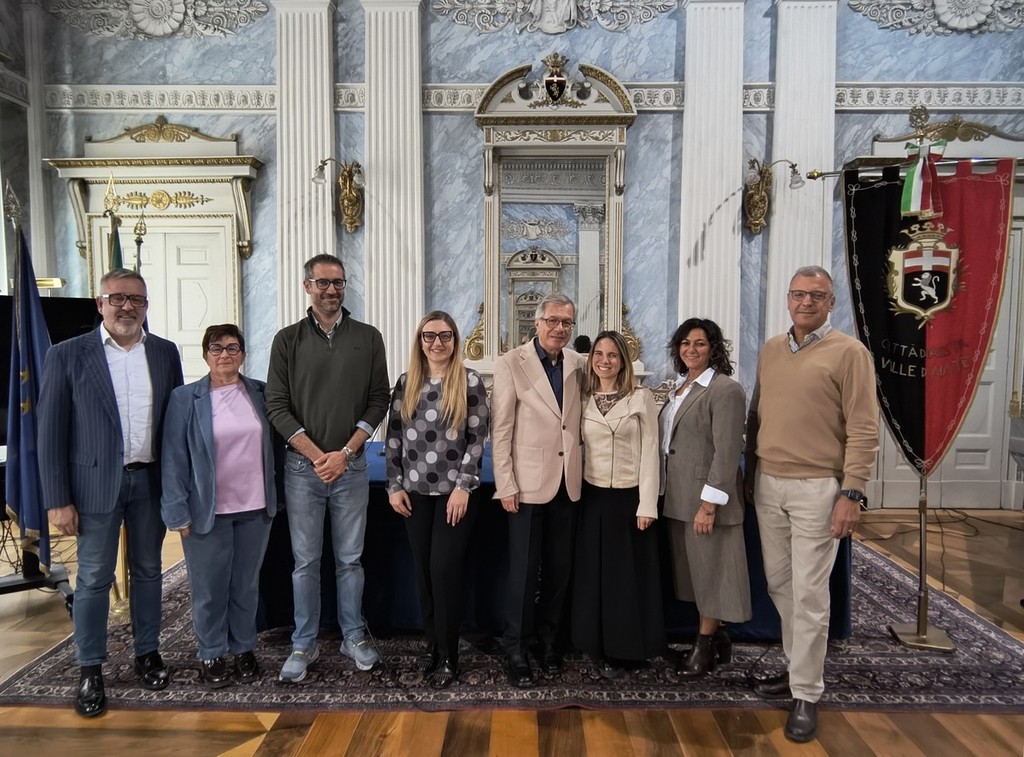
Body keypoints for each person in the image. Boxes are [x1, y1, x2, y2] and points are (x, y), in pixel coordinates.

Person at [38, 268, 184, 718]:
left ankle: (147, 653)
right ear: (100, 304)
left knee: (149, 572)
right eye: (117, 298)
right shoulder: (66, 354)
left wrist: (179, 485)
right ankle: (90, 668)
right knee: (94, 579)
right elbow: (50, 432)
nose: (127, 307)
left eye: (136, 299)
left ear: (146, 306)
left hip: (150, 482)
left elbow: (175, 423)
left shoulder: (164, 352)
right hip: (94, 486)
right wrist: (57, 499)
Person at [744, 265, 879, 743]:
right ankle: (797, 667)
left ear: (830, 302)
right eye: (798, 294)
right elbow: (757, 415)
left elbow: (864, 427)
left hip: (819, 487)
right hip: (770, 482)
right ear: (788, 299)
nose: (805, 302)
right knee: (781, 585)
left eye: (816, 296)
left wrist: (852, 492)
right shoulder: (771, 350)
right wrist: (751, 473)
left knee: (809, 593)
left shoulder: (850, 353)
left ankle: (806, 693)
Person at [266, 254, 390, 682]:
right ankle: (304, 642)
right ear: (307, 286)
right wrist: (317, 455)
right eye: (323, 283)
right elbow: (276, 406)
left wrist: (345, 453)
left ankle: (353, 636)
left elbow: (379, 400)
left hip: (350, 468)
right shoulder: (287, 340)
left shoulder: (368, 337)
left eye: (338, 282)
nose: (332, 290)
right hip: (303, 471)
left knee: (350, 560)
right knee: (305, 562)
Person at [161, 324, 277, 688]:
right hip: (206, 510)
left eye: (232, 348)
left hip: (256, 508)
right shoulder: (185, 399)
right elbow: (173, 459)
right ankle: (211, 651)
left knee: (245, 585)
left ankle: (243, 647)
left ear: (243, 354)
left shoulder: (260, 392)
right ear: (205, 354)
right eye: (216, 348)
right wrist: (176, 510)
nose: (225, 355)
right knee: (209, 589)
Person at [385, 311, 489, 688]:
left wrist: (463, 486)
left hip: (453, 495)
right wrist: (393, 486)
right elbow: (393, 438)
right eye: (429, 336)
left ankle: (449, 656)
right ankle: (433, 644)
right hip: (414, 494)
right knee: (424, 573)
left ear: (455, 341)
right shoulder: (406, 382)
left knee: (444, 570)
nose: (437, 343)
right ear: (420, 341)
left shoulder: (469, 381)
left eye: (445, 336)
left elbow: (476, 440)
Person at [491, 291, 586, 688]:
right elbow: (501, 429)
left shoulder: (579, 363)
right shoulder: (511, 362)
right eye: (552, 321)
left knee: (560, 572)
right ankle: (515, 647)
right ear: (537, 322)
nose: (559, 328)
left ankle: (550, 643)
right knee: (524, 573)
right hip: (526, 486)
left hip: (569, 483)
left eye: (566, 322)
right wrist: (505, 483)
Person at [571, 330, 664, 677]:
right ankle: (593, 645)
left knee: (625, 578)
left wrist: (647, 504)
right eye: (599, 354)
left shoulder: (641, 398)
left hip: (630, 498)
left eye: (612, 355)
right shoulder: (583, 398)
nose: (604, 361)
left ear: (623, 360)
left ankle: (626, 648)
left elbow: (651, 451)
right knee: (594, 575)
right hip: (593, 497)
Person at [660, 318, 750, 679]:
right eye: (685, 343)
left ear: (713, 348)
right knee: (697, 577)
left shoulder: (725, 390)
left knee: (711, 576)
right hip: (679, 498)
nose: (691, 349)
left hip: (705, 502)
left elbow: (727, 453)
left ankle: (704, 646)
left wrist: (709, 505)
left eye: (699, 343)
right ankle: (718, 638)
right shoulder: (681, 388)